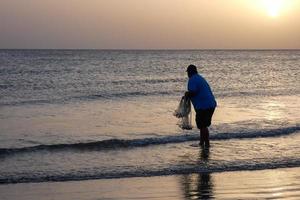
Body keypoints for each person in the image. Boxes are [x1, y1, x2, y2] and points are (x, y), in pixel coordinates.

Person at [185, 64, 217, 147]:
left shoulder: (192, 79)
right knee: (203, 125)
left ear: (190, 72)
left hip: (203, 106)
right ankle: (202, 143)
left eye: (188, 72)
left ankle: (207, 144)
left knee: (202, 125)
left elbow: (193, 92)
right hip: (210, 104)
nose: (187, 74)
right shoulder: (199, 78)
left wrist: (187, 94)